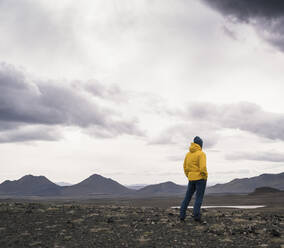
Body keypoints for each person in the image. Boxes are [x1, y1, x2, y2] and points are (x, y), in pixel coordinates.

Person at [180, 136, 208, 222]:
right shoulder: (201, 153)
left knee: (187, 197)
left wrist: (188, 175)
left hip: (191, 179)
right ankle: (196, 216)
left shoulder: (188, 154)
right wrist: (205, 176)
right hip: (200, 179)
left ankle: (182, 215)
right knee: (198, 198)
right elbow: (202, 167)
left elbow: (185, 167)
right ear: (200, 145)